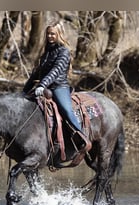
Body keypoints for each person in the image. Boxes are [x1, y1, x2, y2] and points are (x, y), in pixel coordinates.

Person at [22, 21, 91, 154]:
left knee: (66, 109)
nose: (50, 36)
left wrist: (42, 85)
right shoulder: (46, 52)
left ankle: (82, 137)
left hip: (59, 87)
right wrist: (24, 91)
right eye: (48, 33)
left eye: (53, 34)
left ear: (59, 34)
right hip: (44, 87)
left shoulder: (64, 52)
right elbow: (37, 72)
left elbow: (56, 70)